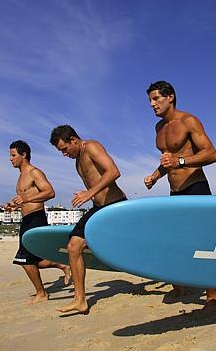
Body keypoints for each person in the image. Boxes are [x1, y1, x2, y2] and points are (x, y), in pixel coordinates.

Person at [143, 80, 216, 310]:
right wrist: (155, 176)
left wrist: (179, 161)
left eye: (156, 98)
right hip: (175, 191)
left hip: (196, 188)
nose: (152, 104)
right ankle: (179, 285)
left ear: (170, 97)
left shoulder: (189, 121)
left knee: (202, 240)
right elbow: (168, 161)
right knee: (175, 239)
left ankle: (212, 293)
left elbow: (211, 154)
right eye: (150, 100)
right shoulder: (159, 128)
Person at [49, 125, 127, 315]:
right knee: (73, 246)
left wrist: (89, 193)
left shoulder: (91, 147)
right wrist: (91, 196)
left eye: (65, 149)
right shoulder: (77, 162)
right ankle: (80, 300)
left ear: (73, 140)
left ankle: (175, 280)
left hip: (114, 208)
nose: (64, 154)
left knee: (137, 246)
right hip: (99, 209)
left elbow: (113, 172)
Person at [6, 140, 71, 305]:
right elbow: (27, 199)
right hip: (27, 219)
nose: (10, 159)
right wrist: (15, 206)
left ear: (24, 155)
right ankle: (62, 264)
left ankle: (41, 293)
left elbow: (50, 192)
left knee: (23, 259)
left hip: (36, 218)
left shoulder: (34, 172)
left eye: (13, 155)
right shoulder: (21, 176)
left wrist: (25, 198)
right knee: (34, 260)